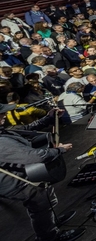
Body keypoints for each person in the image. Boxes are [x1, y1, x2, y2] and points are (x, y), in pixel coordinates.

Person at [0, 103, 84, 241]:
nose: (4, 115)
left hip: (25, 175)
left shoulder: (2, 131)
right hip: (17, 182)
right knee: (40, 206)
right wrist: (59, 150)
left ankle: (51, 222)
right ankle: (49, 236)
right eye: (1, 113)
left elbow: (24, 130)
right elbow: (35, 156)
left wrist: (47, 118)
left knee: (46, 199)